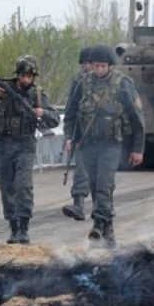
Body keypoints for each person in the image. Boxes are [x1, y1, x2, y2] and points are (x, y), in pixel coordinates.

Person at [63, 44, 145, 248]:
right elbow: (71, 114)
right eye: (96, 65)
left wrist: (138, 149)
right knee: (93, 185)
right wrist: (69, 137)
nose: (99, 70)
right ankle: (109, 236)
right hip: (89, 143)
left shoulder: (123, 83)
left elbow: (137, 118)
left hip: (112, 143)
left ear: (110, 65)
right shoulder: (83, 83)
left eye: (103, 66)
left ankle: (98, 224)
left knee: (104, 184)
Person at [0, 55, 60, 244]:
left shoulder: (37, 94)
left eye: (30, 76)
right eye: (23, 76)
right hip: (3, 145)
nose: (26, 80)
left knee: (23, 186)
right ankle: (13, 228)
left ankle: (23, 228)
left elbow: (54, 119)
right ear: (18, 75)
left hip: (25, 145)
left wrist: (42, 112)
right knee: (7, 187)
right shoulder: (3, 87)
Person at [62, 46, 93, 221]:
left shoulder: (111, 82)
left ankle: (103, 210)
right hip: (82, 136)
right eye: (84, 63)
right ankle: (79, 205)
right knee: (81, 171)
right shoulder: (78, 83)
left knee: (102, 177)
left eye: (89, 62)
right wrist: (68, 137)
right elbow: (70, 112)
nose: (86, 66)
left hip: (105, 139)